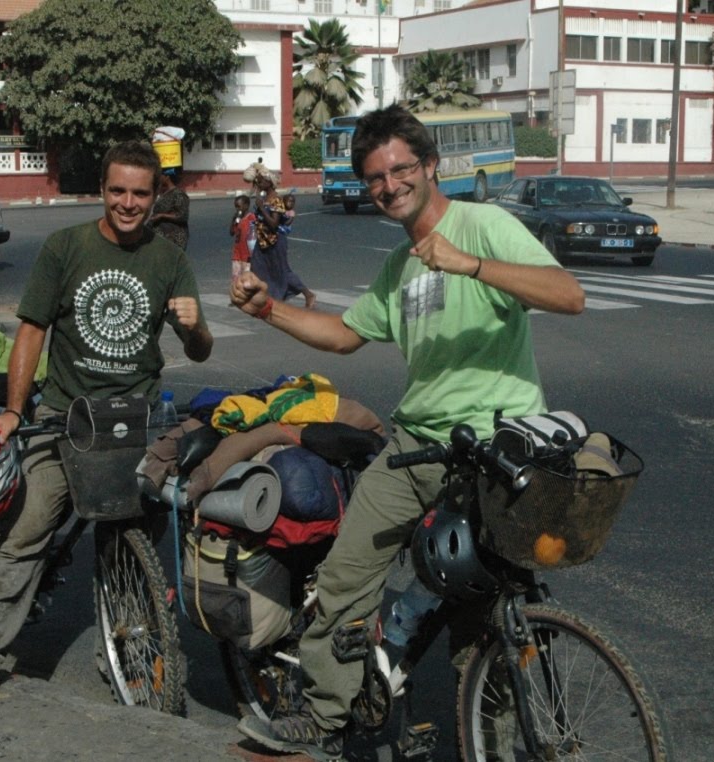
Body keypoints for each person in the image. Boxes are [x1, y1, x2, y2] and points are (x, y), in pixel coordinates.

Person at [231, 104, 585, 760]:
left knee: (484, 612)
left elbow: (568, 295)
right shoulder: (400, 267)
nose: (389, 185)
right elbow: (345, 335)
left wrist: (469, 264)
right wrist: (268, 311)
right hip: (417, 448)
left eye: (400, 169)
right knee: (345, 577)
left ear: (429, 167)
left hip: (495, 450)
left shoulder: (483, 226)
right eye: (375, 177)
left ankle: (489, 742)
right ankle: (325, 712)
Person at [0, 139, 213, 711]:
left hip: (137, 422)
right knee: (28, 531)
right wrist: (15, 410)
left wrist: (194, 327)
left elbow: (201, 349)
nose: (128, 203)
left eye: (140, 193)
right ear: (102, 189)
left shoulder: (169, 260)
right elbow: (32, 331)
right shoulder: (66, 247)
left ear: (156, 196)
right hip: (64, 418)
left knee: (136, 537)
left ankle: (124, 644)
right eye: (118, 190)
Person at [243, 163, 315, 308]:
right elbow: (255, 191)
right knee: (257, 268)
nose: (259, 183)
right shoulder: (264, 198)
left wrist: (262, 208)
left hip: (275, 240)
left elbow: (274, 224)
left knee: (282, 271)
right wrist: (257, 183)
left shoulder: (276, 200)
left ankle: (308, 294)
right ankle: (261, 297)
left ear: (270, 183)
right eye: (258, 181)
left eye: (262, 181)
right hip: (263, 240)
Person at [147, 168, 190, 250]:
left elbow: (182, 215)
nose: (158, 178)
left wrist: (162, 216)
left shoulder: (179, 195)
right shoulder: (164, 193)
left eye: (160, 176)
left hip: (174, 239)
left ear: (167, 177)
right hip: (161, 237)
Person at [229, 193, 254, 281]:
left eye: (239, 206)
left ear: (246, 206)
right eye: (236, 207)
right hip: (237, 254)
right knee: (236, 279)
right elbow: (232, 232)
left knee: (247, 279)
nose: (237, 209)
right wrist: (234, 220)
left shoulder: (251, 218)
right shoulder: (238, 219)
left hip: (247, 255)